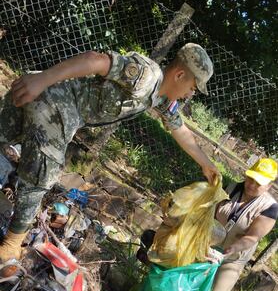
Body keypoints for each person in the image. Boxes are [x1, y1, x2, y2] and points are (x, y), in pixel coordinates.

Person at [0, 43, 219, 261]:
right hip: (53, 102)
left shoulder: (162, 98)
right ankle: (11, 244)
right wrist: (43, 79)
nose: (190, 94)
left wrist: (206, 164)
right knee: (42, 174)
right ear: (180, 75)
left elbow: (179, 128)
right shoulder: (146, 76)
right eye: (192, 87)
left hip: (50, 99)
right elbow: (96, 60)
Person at [199, 157, 278, 291]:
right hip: (206, 246)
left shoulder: (270, 208)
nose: (251, 185)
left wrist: (232, 249)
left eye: (258, 183)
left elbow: (252, 237)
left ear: (269, 185)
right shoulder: (233, 186)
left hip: (233, 259)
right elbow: (211, 209)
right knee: (190, 285)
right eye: (250, 178)